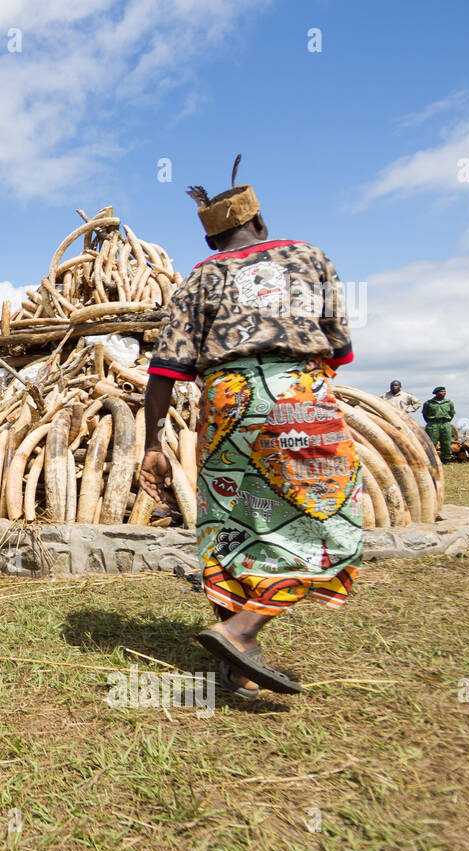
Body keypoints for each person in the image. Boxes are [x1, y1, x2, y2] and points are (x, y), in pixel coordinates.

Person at [138, 157, 362, 701]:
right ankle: (240, 631)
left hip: (225, 402)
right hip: (295, 396)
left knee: (230, 519)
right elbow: (340, 349)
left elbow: (165, 369)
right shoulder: (309, 258)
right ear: (259, 223)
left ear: (214, 240)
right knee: (331, 519)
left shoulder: (202, 276)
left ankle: (238, 668)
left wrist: (151, 445)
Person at [422, 386, 455, 462]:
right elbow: (425, 415)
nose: (444, 393)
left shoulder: (449, 403)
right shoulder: (428, 403)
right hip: (433, 424)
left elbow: (452, 414)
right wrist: (431, 422)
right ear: (436, 393)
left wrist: (446, 421)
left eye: (444, 391)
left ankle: (445, 459)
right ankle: (430, 459)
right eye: (442, 391)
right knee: (431, 443)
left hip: (445, 423)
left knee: (446, 442)